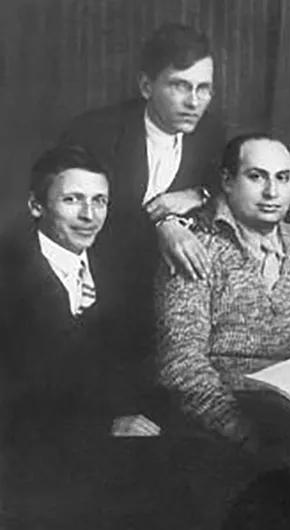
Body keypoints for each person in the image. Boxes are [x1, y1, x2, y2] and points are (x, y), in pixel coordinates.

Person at [155, 133, 290, 529]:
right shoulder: (195, 247)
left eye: (282, 178)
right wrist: (248, 434)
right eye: (256, 176)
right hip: (216, 428)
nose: (272, 192)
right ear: (227, 181)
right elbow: (180, 365)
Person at [59, 24, 226, 421]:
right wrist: (163, 220)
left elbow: (232, 188)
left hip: (167, 290)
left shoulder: (212, 133)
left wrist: (199, 194)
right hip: (98, 285)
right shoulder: (94, 133)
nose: (194, 102)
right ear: (146, 86)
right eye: (180, 86)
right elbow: (79, 220)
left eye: (204, 88)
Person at [0, 145, 161, 528]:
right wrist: (102, 426)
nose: (89, 216)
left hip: (110, 440)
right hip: (29, 453)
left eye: (99, 201)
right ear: (36, 206)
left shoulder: (115, 270)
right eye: (72, 200)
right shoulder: (9, 276)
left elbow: (133, 361)